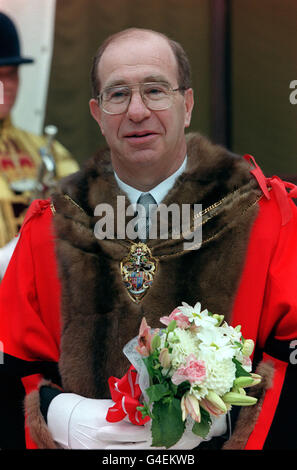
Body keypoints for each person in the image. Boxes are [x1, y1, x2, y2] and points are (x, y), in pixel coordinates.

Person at [0, 27, 297, 451]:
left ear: (187, 104)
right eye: (117, 94)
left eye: (156, 90)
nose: (137, 111)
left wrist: (225, 426)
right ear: (97, 113)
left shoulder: (266, 219)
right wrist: (61, 416)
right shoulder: (49, 229)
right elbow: (16, 369)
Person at [0, 12, 79, 278]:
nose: (6, 86)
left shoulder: (45, 149)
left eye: (11, 74)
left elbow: (82, 216)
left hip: (36, 301)